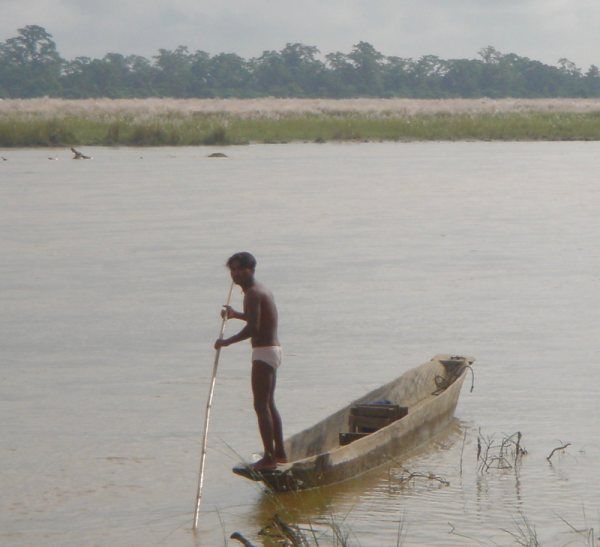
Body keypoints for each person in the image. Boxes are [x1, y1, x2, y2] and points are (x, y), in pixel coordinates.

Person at [214, 252, 287, 470]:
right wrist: (236, 314)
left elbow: (253, 328)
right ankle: (280, 453)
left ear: (251, 269)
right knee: (268, 403)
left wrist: (226, 342)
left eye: (239, 269)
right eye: (232, 270)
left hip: (264, 352)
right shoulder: (258, 291)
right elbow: (257, 318)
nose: (235, 274)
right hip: (272, 350)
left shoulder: (253, 293)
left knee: (260, 404)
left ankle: (269, 458)